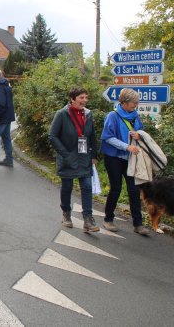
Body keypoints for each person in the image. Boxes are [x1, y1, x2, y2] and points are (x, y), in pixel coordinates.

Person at [100, 88, 151, 235]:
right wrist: (126, 146)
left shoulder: (135, 116)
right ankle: (108, 219)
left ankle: (138, 224)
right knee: (116, 188)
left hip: (130, 158)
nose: (136, 104)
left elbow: (140, 132)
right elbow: (107, 137)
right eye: (134, 102)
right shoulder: (112, 116)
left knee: (134, 190)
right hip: (114, 157)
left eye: (137, 102)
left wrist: (139, 136)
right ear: (124, 102)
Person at [49, 87, 99, 232]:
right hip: (68, 157)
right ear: (72, 99)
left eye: (86, 97)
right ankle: (66, 213)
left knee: (87, 186)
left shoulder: (88, 114)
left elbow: (92, 136)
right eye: (81, 98)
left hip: (84, 156)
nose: (85, 100)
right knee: (67, 187)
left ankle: (88, 219)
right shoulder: (62, 114)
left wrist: (94, 156)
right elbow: (53, 136)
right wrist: (65, 154)